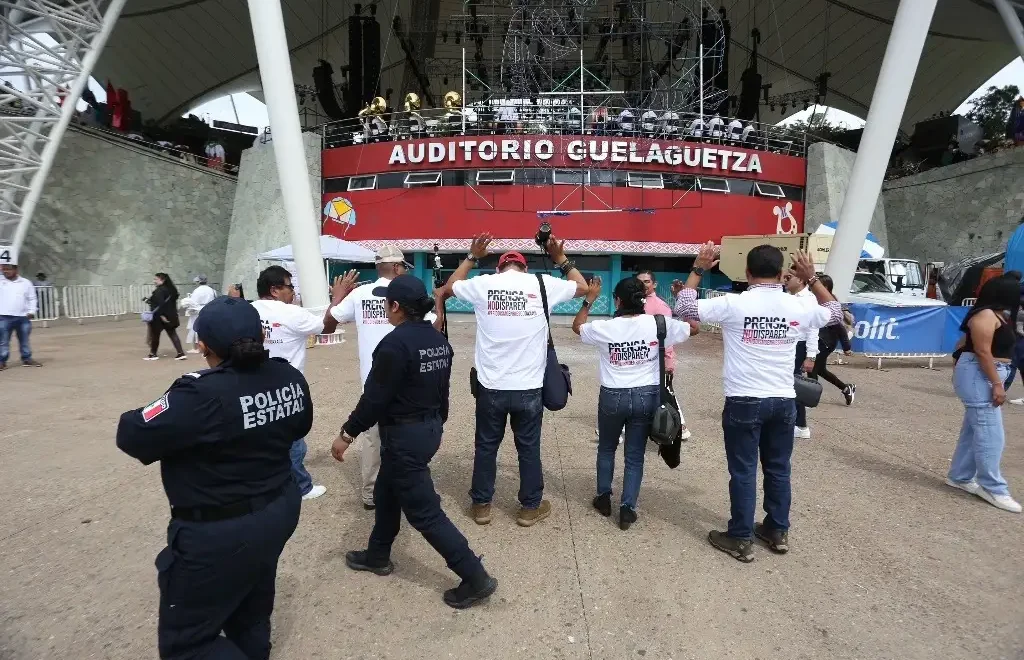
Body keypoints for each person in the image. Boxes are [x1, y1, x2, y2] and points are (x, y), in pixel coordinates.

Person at [116, 296, 313, 659]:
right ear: (262, 335)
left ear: (202, 345)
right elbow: (300, 426)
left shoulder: (198, 394)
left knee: (188, 645)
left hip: (221, 530)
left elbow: (131, 433)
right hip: (278, 508)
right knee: (252, 613)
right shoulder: (289, 375)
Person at [332, 275, 498, 609]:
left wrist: (347, 434)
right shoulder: (437, 340)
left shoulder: (394, 345)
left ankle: (474, 576)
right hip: (427, 428)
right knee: (386, 492)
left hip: (406, 436)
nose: (384, 308)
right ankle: (378, 554)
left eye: (386, 303)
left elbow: (374, 399)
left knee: (425, 513)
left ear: (396, 307)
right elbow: (443, 391)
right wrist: (438, 423)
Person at [673, 243, 842, 562]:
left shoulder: (733, 304)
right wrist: (813, 277)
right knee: (779, 468)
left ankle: (739, 537)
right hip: (783, 400)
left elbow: (685, 307)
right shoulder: (797, 306)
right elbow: (836, 313)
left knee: (744, 470)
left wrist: (698, 269)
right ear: (781, 274)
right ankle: (777, 530)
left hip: (745, 400)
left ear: (747, 273)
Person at [441, 232, 588, 527]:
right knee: (529, 448)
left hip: (490, 386)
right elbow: (583, 287)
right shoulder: (542, 284)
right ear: (524, 268)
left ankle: (482, 505)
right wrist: (559, 258)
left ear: (498, 268)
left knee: (486, 446)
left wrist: (471, 257)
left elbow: (450, 286)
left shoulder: (484, 284)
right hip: (529, 388)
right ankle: (529, 508)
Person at [573, 276, 696, 530]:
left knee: (606, 448)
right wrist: (682, 301)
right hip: (645, 395)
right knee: (635, 455)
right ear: (644, 299)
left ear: (618, 300)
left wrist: (589, 300)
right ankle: (627, 508)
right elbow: (693, 328)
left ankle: (604, 497)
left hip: (612, 396)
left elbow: (578, 326)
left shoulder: (604, 328)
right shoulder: (659, 324)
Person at [329, 245, 440, 510]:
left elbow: (329, 322)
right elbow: (434, 327)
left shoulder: (359, 294)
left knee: (372, 439)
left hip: (374, 380)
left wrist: (337, 297)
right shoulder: (412, 295)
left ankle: (371, 494)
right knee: (405, 438)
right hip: (411, 381)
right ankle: (406, 489)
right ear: (399, 268)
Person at [252, 265, 345, 501]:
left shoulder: (248, 310)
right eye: (289, 286)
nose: (292, 291)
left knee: (261, 436)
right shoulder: (292, 313)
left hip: (252, 384)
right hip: (286, 387)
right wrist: (338, 299)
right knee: (294, 442)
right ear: (274, 290)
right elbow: (325, 327)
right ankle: (300, 486)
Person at [946, 276, 1022, 513]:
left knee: (974, 428)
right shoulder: (985, 315)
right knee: (991, 434)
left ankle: (960, 475)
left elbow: (962, 344)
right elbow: (980, 350)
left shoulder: (998, 315)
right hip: (981, 374)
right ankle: (993, 487)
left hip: (984, 372)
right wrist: (997, 384)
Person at [636, 270, 691, 440]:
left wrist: (667, 363)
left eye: (646, 281)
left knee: (666, 393)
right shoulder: (637, 302)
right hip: (641, 358)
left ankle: (680, 425)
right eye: (640, 282)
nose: (643, 285)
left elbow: (665, 336)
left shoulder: (660, 306)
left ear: (654, 284)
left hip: (658, 360)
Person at [808, 275, 856, 405]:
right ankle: (846, 388)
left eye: (817, 285)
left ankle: (811, 396)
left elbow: (839, 327)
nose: (812, 288)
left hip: (826, 342)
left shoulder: (829, 303)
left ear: (826, 287)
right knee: (820, 370)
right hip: (820, 340)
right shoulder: (817, 300)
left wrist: (846, 347)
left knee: (812, 368)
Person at [784, 269, 820, 439]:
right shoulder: (787, 296)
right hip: (786, 343)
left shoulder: (809, 300)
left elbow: (813, 329)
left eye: (789, 278)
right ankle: (791, 421)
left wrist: (810, 356)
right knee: (785, 383)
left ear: (800, 280)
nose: (785, 280)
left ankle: (801, 424)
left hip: (799, 344)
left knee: (794, 384)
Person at [0, 262, 41, 370]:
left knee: (24, 339)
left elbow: (32, 298)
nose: (5, 272)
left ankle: (26, 358)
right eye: (4, 269)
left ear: (16, 270)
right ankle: (2, 361)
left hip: (23, 317)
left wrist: (32, 311)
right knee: (3, 341)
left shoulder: (26, 283)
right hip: (4, 317)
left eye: (8, 269)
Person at [145, 273, 186, 361]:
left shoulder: (159, 291)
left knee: (155, 335)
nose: (154, 281)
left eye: (156, 279)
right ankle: (180, 353)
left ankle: (153, 354)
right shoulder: (172, 290)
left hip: (160, 317)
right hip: (171, 315)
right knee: (172, 334)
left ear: (162, 280)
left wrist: (162, 315)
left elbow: (160, 304)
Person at [182, 275, 217, 354]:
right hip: (210, 310)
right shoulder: (212, 290)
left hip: (198, 311)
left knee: (196, 329)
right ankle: (209, 346)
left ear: (198, 282)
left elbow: (193, 302)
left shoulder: (197, 291)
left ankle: (197, 347)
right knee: (208, 328)